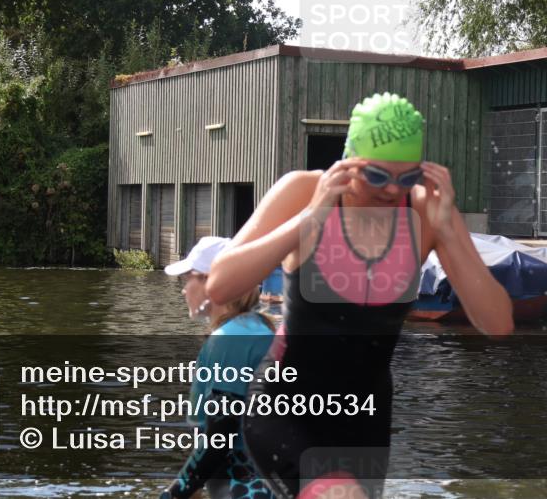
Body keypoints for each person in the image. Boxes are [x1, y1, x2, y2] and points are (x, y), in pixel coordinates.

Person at [206, 92, 514, 499]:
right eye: (377, 175)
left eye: (406, 178)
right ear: (348, 162)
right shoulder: (303, 191)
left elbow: (497, 324)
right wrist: (308, 218)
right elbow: (220, 285)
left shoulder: (426, 210)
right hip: (287, 406)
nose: (391, 191)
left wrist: (449, 232)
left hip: (365, 419)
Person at [160, 236, 275, 499]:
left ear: (213, 283)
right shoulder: (252, 329)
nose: (183, 289)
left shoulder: (231, 339)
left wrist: (175, 493)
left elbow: (220, 435)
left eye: (189, 277)